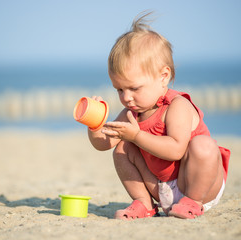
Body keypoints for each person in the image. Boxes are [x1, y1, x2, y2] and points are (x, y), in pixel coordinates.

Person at [87, 11, 230, 220]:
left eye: (134, 88)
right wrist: (94, 124)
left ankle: (193, 202)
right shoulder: (132, 112)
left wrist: (136, 136)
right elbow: (103, 144)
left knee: (204, 145)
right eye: (119, 89)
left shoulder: (176, 106)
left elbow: (176, 150)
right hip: (162, 188)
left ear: (163, 76)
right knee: (122, 149)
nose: (126, 97)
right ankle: (144, 203)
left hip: (199, 185)